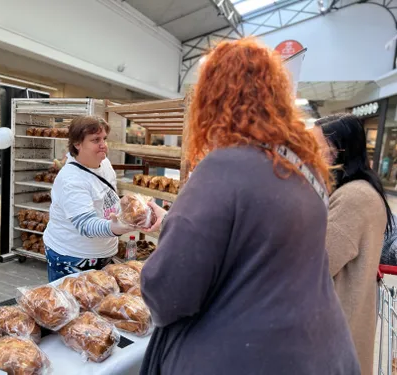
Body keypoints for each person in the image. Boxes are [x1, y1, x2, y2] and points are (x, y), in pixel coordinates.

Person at [139, 38, 360, 375]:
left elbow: (169, 291)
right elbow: (261, 245)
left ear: (214, 98)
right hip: (323, 352)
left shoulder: (224, 166)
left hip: (246, 357)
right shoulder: (305, 170)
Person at [312, 114, 392, 374]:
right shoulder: (357, 190)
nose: (310, 154)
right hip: (343, 325)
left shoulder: (353, 198)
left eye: (317, 146)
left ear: (339, 150)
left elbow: (319, 262)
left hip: (336, 329)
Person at [42, 116, 133, 282]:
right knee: (70, 306)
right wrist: (117, 228)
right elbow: (86, 225)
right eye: (95, 140)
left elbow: (105, 199)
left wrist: (124, 206)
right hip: (72, 257)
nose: (103, 145)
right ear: (78, 144)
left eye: (104, 138)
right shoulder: (71, 179)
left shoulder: (104, 164)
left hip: (103, 254)